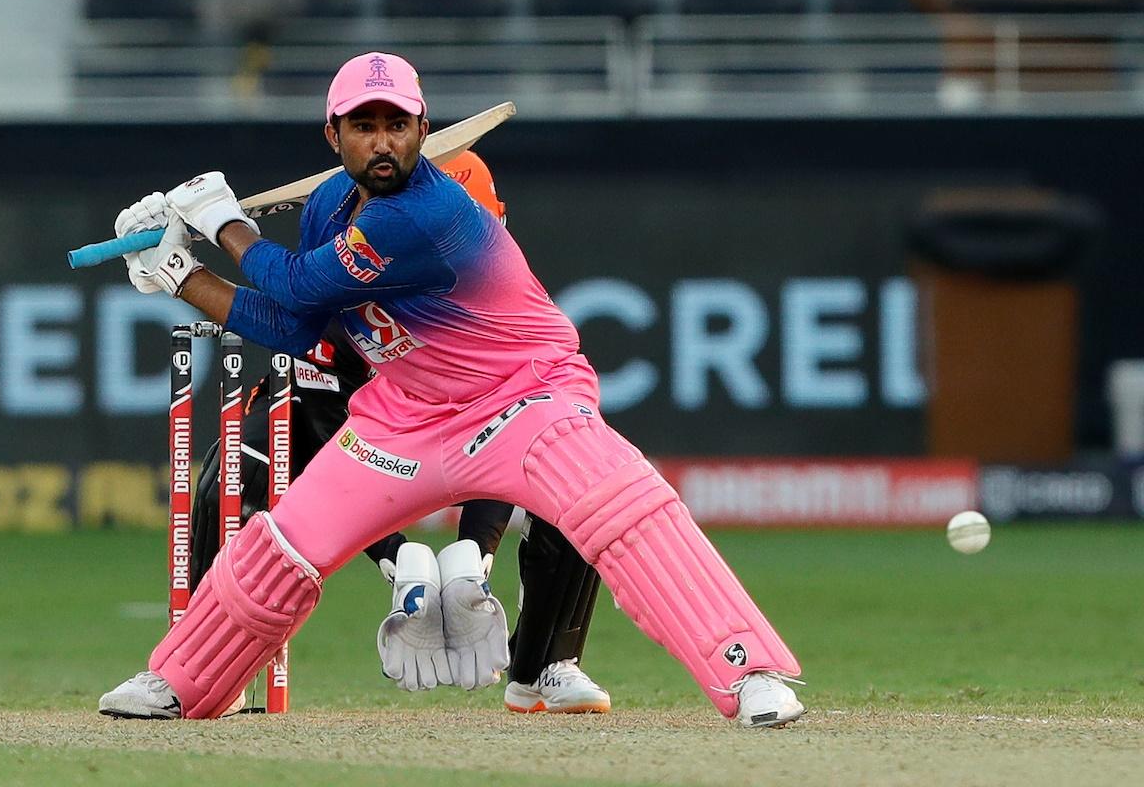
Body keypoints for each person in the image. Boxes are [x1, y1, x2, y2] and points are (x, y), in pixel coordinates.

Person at [98, 51, 804, 727]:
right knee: (282, 545)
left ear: (422, 131)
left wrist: (224, 221)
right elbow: (290, 322)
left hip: (522, 398)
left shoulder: (426, 214)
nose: (383, 142)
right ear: (333, 134)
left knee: (621, 506)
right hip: (401, 416)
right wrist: (179, 276)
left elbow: (289, 279)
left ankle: (747, 673)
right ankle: (181, 682)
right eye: (365, 126)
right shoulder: (326, 214)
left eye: (397, 125)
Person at [187, 150, 609, 712]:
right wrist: (396, 555)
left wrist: (472, 557)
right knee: (239, 465)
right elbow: (317, 392)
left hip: (472, 428)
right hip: (353, 422)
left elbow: (502, 430)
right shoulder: (361, 264)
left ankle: (544, 666)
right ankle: (213, 666)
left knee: (583, 473)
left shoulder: (498, 299)